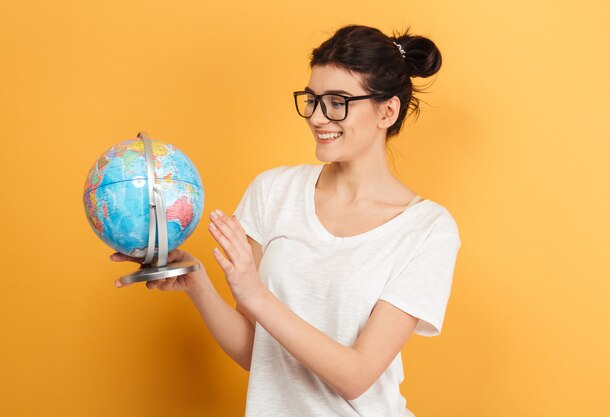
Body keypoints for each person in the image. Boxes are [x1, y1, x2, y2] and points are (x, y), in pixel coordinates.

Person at [111, 24, 461, 417]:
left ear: (387, 111)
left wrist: (255, 294)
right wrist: (198, 283)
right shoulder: (272, 192)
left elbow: (357, 375)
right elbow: (257, 354)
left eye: (337, 101)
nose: (317, 117)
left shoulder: (426, 229)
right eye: (311, 100)